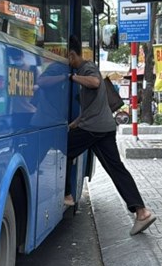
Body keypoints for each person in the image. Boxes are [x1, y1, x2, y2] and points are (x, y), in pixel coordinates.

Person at [64, 35, 156, 235]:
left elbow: (95, 82)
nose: (67, 63)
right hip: (101, 127)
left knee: (63, 152)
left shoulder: (86, 68)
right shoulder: (86, 67)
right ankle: (142, 212)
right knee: (116, 169)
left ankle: (68, 195)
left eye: (67, 58)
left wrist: (72, 77)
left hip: (94, 129)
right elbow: (91, 106)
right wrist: (75, 123)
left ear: (72, 55)